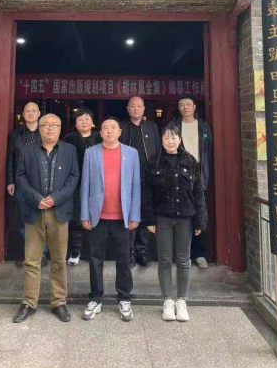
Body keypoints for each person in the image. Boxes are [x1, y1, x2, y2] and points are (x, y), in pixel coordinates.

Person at [13, 114, 79, 324]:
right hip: (35, 210)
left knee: (59, 260)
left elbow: (74, 177)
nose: (50, 128)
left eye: (54, 125)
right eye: (46, 125)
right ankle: (29, 302)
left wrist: (56, 198)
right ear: (40, 129)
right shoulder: (27, 150)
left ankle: (58, 302)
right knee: (32, 260)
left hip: (59, 211)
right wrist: (37, 199)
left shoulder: (69, 150)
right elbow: (20, 176)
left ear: (60, 128)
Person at [80, 117, 141, 322]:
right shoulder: (91, 153)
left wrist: (135, 215)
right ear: (100, 132)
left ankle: (124, 298)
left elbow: (136, 186)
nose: (109, 131)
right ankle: (96, 298)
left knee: (124, 260)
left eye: (113, 127)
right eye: (105, 127)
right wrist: (84, 214)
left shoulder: (131, 153)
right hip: (98, 216)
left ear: (120, 131)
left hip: (123, 216)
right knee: (95, 259)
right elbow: (85, 186)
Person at [145, 124, 207, 322]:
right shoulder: (154, 161)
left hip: (185, 217)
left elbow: (198, 192)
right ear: (161, 140)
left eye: (174, 138)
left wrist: (200, 220)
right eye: (166, 138)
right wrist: (149, 218)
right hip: (162, 217)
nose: (170, 141)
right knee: (164, 260)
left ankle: (182, 301)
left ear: (180, 140)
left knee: (183, 260)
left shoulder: (190, 161)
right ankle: (167, 300)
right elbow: (147, 193)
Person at [121, 96, 161, 268]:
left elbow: (158, 150)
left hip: (148, 176)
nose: (136, 109)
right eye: (133, 106)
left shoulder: (152, 127)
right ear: (128, 109)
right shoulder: (122, 127)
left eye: (139, 106)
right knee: (129, 214)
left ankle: (142, 251)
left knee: (146, 212)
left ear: (144, 109)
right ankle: (129, 251)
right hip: (127, 177)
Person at [174, 95, 213, 269]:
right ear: (178, 108)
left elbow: (209, 152)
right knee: (181, 216)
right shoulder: (174, 126)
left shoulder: (203, 126)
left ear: (194, 107)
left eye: (188, 104)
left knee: (199, 214)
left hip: (199, 176)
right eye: (182, 105)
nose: (185, 107)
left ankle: (199, 254)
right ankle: (184, 255)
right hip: (180, 175)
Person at [63, 108, 102, 266]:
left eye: (87, 119)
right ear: (75, 124)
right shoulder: (69, 139)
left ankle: (92, 252)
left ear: (93, 123)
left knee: (95, 217)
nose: (84, 122)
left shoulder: (100, 137)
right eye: (80, 119)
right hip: (76, 183)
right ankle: (75, 250)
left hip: (97, 183)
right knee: (77, 218)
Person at [6, 102, 41, 265]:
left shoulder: (45, 132)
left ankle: (41, 254)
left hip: (41, 182)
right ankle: (25, 253)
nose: (31, 113)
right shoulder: (16, 134)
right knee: (23, 218)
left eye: (34, 111)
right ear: (23, 114)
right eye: (27, 111)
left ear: (39, 114)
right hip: (21, 181)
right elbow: (10, 159)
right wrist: (10, 181)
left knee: (42, 218)